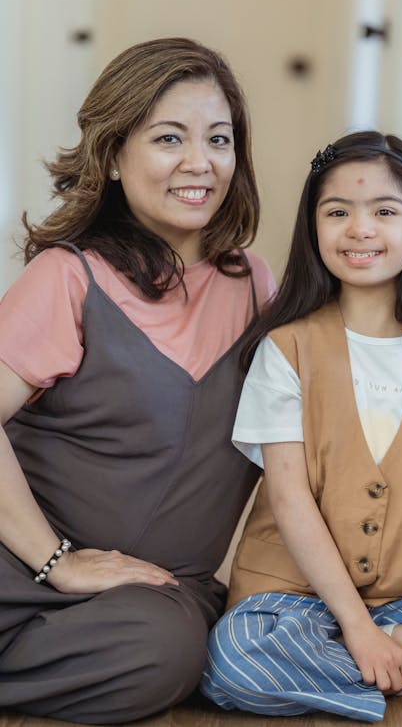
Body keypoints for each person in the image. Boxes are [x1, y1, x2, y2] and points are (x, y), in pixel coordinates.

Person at [0, 37, 275, 723]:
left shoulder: (255, 285)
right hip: (17, 568)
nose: (199, 163)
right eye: (168, 138)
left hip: (146, 603)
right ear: (115, 156)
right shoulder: (67, 277)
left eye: (219, 138)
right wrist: (55, 561)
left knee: (168, 652)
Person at [201, 131, 402, 722]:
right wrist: (359, 630)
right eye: (337, 212)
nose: (360, 229)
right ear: (313, 228)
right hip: (294, 601)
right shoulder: (286, 348)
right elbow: (288, 499)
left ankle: (394, 660)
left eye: (385, 211)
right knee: (235, 658)